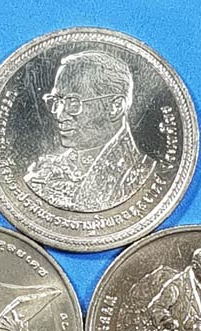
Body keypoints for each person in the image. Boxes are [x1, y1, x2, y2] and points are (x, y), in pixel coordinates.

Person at [24, 51, 155, 212]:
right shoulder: (42, 171)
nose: (59, 115)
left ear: (115, 107)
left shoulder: (142, 173)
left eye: (73, 103)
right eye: (57, 101)